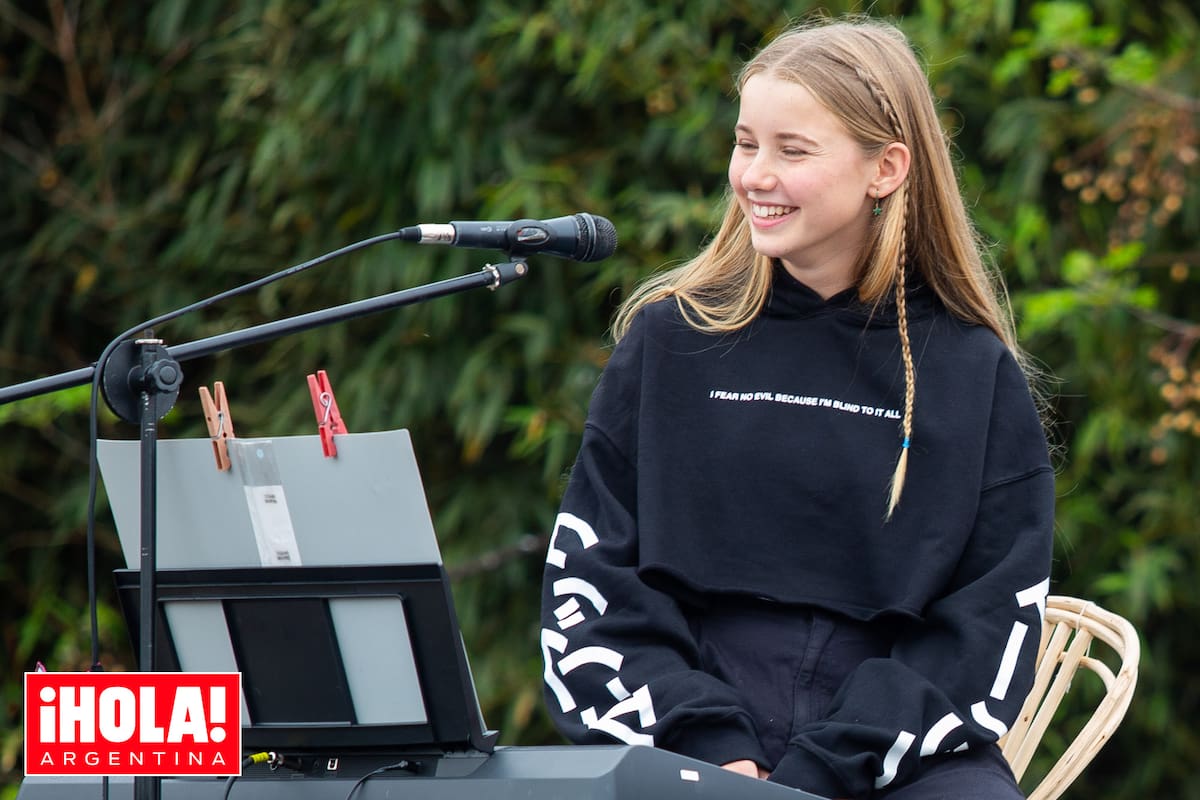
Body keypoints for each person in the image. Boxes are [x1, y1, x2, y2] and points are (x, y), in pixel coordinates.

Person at [539, 15, 1054, 800]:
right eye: (747, 144)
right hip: (685, 741)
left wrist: (827, 767)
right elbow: (594, 583)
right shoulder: (670, 340)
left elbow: (986, 626)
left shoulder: (971, 371)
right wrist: (708, 744)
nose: (755, 175)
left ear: (886, 168)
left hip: (898, 760)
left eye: (793, 150)